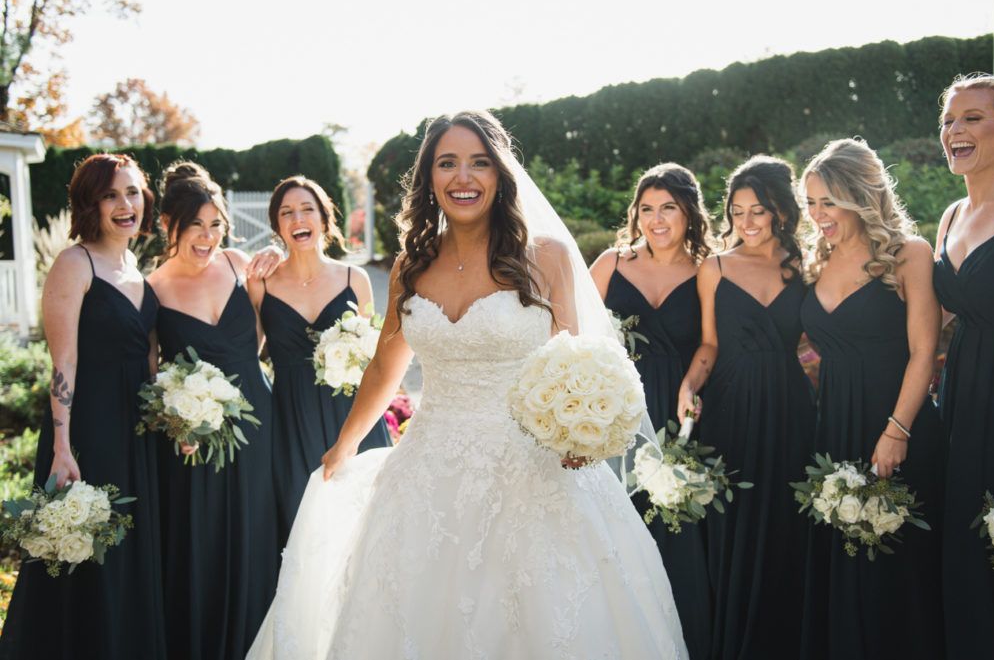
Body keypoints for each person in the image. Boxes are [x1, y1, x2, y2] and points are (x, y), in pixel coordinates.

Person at [247, 110, 687, 659]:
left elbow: (572, 360)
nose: (464, 177)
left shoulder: (543, 257)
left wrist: (577, 436)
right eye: (447, 163)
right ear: (429, 177)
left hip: (532, 471)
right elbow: (386, 365)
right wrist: (347, 443)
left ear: (500, 174)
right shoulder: (412, 265)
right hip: (429, 469)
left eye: (479, 163)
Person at [0, 154, 167, 659]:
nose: (126, 205)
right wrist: (62, 447)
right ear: (89, 203)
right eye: (111, 195)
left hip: (137, 433)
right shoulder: (75, 263)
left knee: (129, 553)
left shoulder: (138, 267)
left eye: (134, 193)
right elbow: (62, 364)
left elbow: (150, 357)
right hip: (88, 432)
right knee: (88, 555)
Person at [798, 138, 946, 660]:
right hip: (833, 423)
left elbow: (924, 352)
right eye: (810, 203)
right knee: (844, 548)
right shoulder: (816, 260)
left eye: (828, 203)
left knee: (896, 555)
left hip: (895, 422)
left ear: (861, 196)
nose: (818, 216)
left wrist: (896, 430)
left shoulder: (909, 254)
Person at [678, 155, 816, 660]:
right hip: (729, 407)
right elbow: (709, 344)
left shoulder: (803, 266)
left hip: (789, 407)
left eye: (758, 210)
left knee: (784, 522)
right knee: (732, 520)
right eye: (737, 212)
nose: (747, 222)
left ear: (780, 210)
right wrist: (689, 387)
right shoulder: (714, 267)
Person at [148, 162, 277, 660]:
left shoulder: (239, 264)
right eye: (195, 225)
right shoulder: (152, 289)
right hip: (195, 440)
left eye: (216, 224)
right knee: (204, 543)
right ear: (167, 225)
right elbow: (151, 368)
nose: (207, 237)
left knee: (259, 534)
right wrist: (178, 419)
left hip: (258, 423)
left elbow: (264, 337)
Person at [590, 162, 712, 660]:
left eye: (669, 208)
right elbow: (570, 337)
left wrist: (691, 384)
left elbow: (710, 342)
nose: (657, 220)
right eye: (647, 209)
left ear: (688, 213)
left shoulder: (709, 268)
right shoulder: (611, 264)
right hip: (615, 413)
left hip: (678, 415)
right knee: (615, 525)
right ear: (635, 214)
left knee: (675, 528)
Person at [933, 73, 994, 659]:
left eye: (971, 118)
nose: (953, 131)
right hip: (963, 397)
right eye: (948, 120)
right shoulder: (948, 216)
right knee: (970, 535)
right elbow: (935, 323)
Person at [249, 175, 390, 551]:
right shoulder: (261, 283)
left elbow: (374, 355)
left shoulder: (353, 278)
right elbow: (247, 353)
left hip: (352, 415)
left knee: (364, 531)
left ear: (324, 219)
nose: (298, 219)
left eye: (307, 209)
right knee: (305, 531)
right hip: (291, 422)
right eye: (287, 212)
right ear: (277, 226)